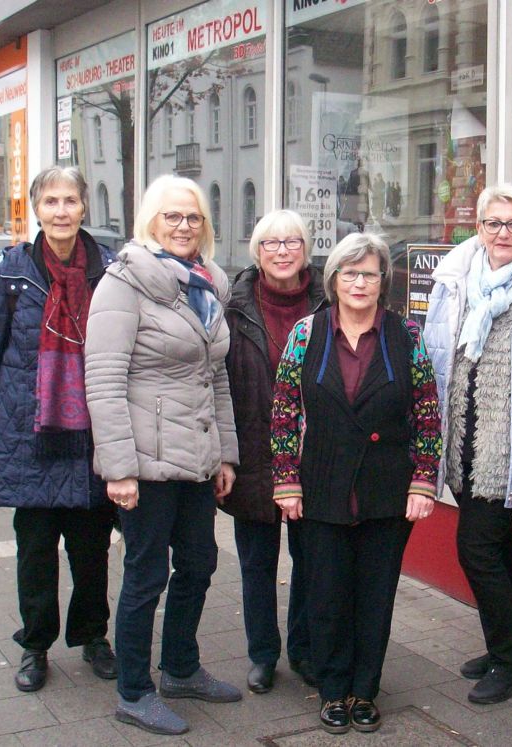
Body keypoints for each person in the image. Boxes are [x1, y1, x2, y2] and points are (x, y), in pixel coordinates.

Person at [85, 175, 241, 736]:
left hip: (197, 457)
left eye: (193, 217)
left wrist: (226, 453)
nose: (183, 226)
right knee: (146, 574)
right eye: (172, 217)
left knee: (200, 562)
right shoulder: (123, 284)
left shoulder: (207, 285)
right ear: (151, 221)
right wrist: (119, 469)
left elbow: (215, 377)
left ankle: (179, 667)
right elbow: (103, 380)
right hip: (146, 462)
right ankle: (134, 690)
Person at [270, 233, 441, 734]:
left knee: (375, 595)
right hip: (320, 485)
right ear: (334, 280)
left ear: (383, 281)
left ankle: (365, 690)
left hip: (386, 489)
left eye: (369, 273)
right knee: (325, 595)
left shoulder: (406, 335)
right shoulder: (306, 333)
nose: (360, 282)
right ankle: (332, 690)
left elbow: (428, 413)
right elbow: (283, 413)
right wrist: (286, 481)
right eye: (350, 273)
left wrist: (423, 481)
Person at [0, 165, 118, 693]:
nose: (61, 211)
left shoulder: (109, 270)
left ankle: (93, 636)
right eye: (51, 201)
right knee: (34, 549)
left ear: (84, 208)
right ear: (37, 209)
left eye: (70, 201)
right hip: (28, 430)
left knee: (91, 545)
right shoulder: (10, 273)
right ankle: (35, 645)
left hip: (90, 433)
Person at [423, 184, 512, 705]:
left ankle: (509, 662)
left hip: (508, 439)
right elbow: (434, 348)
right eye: (493, 223)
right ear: (478, 228)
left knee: (477, 547)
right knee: (499, 545)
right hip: (461, 430)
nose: (502, 233)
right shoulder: (456, 279)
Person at [222, 210, 327, 694]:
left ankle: (304, 650)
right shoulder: (234, 303)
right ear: (257, 252)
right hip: (253, 449)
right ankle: (263, 654)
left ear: (306, 248)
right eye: (271, 243)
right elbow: (216, 381)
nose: (283, 251)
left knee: (311, 561)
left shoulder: (330, 299)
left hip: (314, 453)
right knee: (257, 562)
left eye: (293, 241)